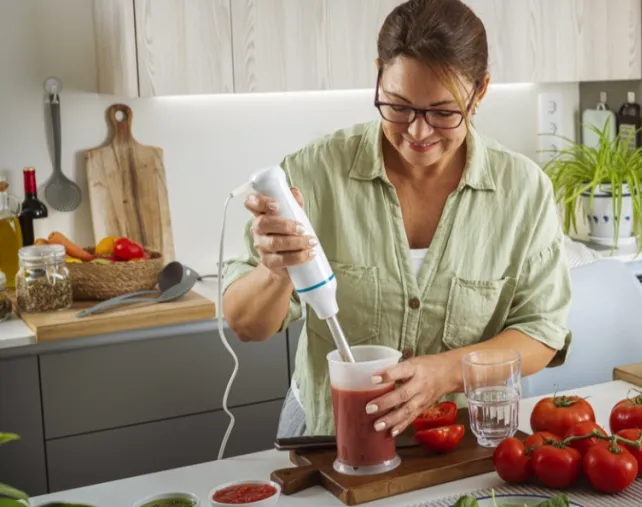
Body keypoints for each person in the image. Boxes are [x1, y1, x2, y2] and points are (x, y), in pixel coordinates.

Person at [221, 0, 572, 439]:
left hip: (457, 441)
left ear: (479, 92)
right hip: (328, 436)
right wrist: (275, 272)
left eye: (444, 113)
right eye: (398, 106)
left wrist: (444, 374)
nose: (418, 132)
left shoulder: (523, 191)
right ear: (378, 76)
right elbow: (246, 324)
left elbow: (542, 332)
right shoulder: (313, 174)